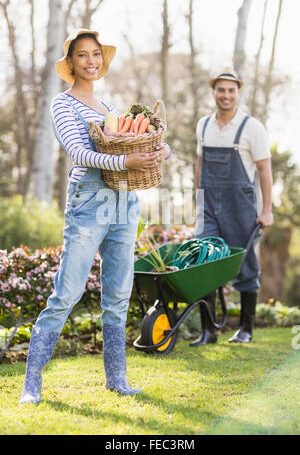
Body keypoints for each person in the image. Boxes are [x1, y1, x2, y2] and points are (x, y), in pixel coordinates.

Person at [20, 28, 171, 403]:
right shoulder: (63, 104)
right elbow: (79, 152)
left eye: (96, 54)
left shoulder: (110, 109)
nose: (91, 61)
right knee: (66, 294)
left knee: (118, 296)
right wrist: (126, 159)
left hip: (124, 203)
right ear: (70, 63)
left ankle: (117, 380)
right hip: (89, 201)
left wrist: (157, 153)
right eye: (82, 55)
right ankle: (32, 383)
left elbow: (139, 145)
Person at [191, 70, 273, 346]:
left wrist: (267, 210)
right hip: (209, 208)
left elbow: (264, 170)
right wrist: (197, 199)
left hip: (241, 209)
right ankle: (208, 331)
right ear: (213, 92)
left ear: (238, 93)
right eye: (221, 90)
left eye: (231, 90)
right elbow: (199, 164)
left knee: (245, 265)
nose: (226, 95)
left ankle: (246, 329)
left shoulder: (252, 127)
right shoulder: (203, 125)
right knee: (204, 261)